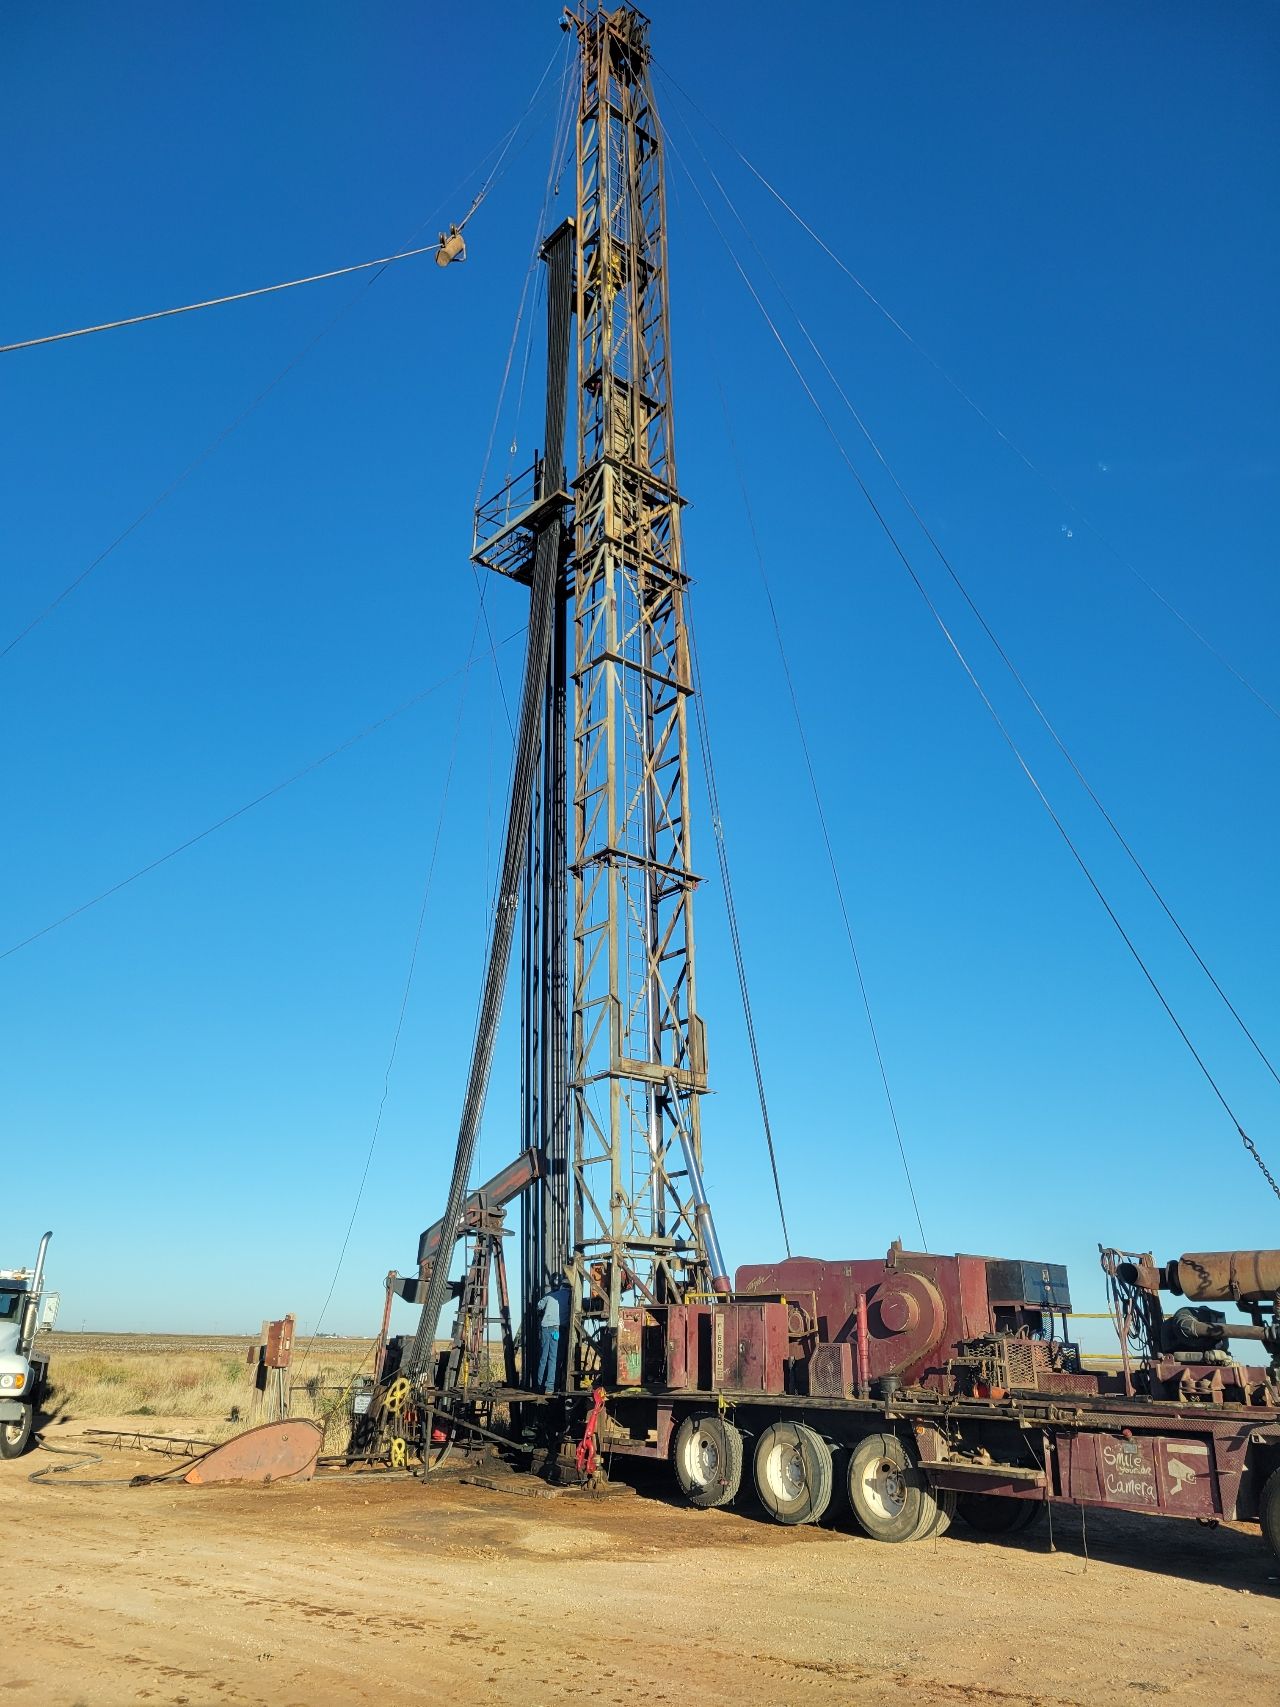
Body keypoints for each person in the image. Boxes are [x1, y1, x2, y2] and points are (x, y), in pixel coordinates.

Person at [536, 1274, 572, 1393]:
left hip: (546, 1328)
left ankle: (540, 1385)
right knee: (554, 1358)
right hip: (558, 1329)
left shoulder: (550, 1296)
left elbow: (539, 1306)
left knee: (543, 1357)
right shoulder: (571, 1297)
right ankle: (550, 1387)